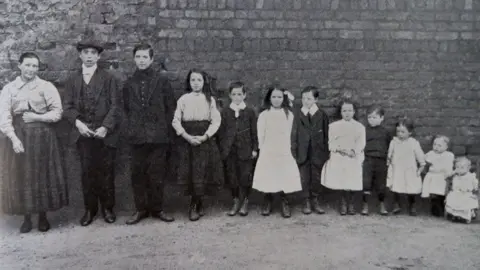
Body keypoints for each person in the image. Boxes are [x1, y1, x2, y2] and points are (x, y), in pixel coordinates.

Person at [0, 52, 68, 233]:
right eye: (28, 65)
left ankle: (43, 217)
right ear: (20, 66)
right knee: (22, 176)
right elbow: (4, 117)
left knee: (42, 175)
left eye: (34, 66)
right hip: (19, 135)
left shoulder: (46, 86)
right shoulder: (9, 88)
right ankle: (27, 218)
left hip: (43, 136)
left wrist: (37, 116)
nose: (31, 69)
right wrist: (14, 139)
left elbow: (57, 112)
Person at [63, 39, 121, 226]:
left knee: (106, 172)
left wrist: (105, 127)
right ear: (80, 55)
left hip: (105, 134)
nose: (89, 56)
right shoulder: (72, 80)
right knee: (87, 173)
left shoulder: (109, 78)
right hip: (83, 134)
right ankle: (90, 209)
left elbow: (115, 105)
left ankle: (108, 208)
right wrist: (79, 124)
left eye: (93, 53)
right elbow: (67, 107)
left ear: (98, 56)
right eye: (86, 52)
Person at [122, 44, 175, 225]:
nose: (142, 60)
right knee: (137, 174)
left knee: (157, 174)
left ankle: (157, 209)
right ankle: (140, 209)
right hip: (137, 137)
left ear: (151, 59)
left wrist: (164, 129)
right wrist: (132, 128)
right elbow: (125, 109)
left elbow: (170, 108)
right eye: (138, 57)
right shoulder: (129, 83)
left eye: (145, 57)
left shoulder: (162, 81)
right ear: (134, 59)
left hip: (158, 137)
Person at [172, 69, 224, 221]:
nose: (196, 83)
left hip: (203, 139)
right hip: (187, 140)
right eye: (193, 80)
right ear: (189, 82)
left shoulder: (210, 100)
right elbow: (175, 120)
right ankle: (194, 203)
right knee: (190, 171)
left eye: (199, 80)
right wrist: (187, 136)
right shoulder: (183, 99)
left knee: (201, 171)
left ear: (204, 82)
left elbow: (216, 120)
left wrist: (205, 136)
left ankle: (198, 202)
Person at [252, 86, 301, 218]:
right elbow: (260, 134)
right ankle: (267, 200)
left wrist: (289, 148)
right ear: (269, 98)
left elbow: (291, 132)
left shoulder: (288, 114)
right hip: (268, 148)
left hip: (283, 148)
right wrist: (262, 149)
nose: (276, 100)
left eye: (279, 97)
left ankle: (284, 201)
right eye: (273, 97)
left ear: (283, 98)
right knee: (269, 174)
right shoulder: (264, 115)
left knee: (283, 174)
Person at [218, 81, 258, 217]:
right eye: (234, 94)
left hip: (245, 150)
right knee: (232, 177)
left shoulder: (249, 112)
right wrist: (223, 148)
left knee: (245, 176)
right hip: (230, 150)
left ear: (244, 95)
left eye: (239, 94)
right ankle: (235, 200)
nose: (236, 97)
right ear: (230, 95)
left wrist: (254, 148)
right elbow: (221, 132)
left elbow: (254, 132)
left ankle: (245, 201)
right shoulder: (225, 112)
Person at [321, 98, 365, 215]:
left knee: (352, 177)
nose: (347, 113)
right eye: (344, 110)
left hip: (353, 156)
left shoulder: (359, 127)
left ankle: (351, 203)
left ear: (354, 112)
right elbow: (330, 143)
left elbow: (361, 143)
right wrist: (340, 149)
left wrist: (353, 151)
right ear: (340, 112)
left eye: (350, 110)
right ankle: (343, 202)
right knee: (341, 178)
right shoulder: (334, 126)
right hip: (339, 154)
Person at [291, 86, 329, 215]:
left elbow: (326, 135)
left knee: (316, 177)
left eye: (309, 98)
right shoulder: (298, 114)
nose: (306, 101)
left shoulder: (322, 115)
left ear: (316, 99)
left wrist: (325, 152)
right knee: (304, 177)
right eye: (303, 98)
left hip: (317, 151)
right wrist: (295, 150)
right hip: (302, 151)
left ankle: (315, 199)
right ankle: (306, 200)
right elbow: (294, 134)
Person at [386, 117, 426, 216]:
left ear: (410, 132)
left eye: (403, 132)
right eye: (398, 131)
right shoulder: (394, 142)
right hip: (397, 168)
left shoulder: (413, 143)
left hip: (409, 169)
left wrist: (421, 166)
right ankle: (397, 205)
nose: (400, 134)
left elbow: (419, 155)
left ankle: (412, 205)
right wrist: (388, 162)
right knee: (396, 186)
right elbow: (390, 153)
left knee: (411, 187)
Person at [362, 105, 392, 216]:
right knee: (366, 183)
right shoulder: (364, 130)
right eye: (369, 117)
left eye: (374, 117)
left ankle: (382, 205)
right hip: (368, 159)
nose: (371, 120)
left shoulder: (385, 132)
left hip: (381, 161)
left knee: (381, 184)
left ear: (381, 118)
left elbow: (389, 145)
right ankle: (365, 205)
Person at [421, 135, 454, 217]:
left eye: (439, 145)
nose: (436, 147)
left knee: (441, 193)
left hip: (442, 176)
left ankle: (441, 209)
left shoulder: (449, 155)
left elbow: (449, 167)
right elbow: (423, 159)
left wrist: (449, 174)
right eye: (434, 144)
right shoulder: (431, 154)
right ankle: (434, 209)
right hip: (433, 176)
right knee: (433, 193)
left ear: (446, 147)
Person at [445, 157, 478, 224]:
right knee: (451, 200)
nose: (459, 169)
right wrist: (453, 172)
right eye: (457, 167)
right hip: (456, 193)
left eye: (462, 167)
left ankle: (466, 217)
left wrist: (475, 193)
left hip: (466, 194)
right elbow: (446, 177)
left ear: (468, 168)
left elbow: (475, 186)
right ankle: (455, 216)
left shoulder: (471, 176)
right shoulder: (455, 176)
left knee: (466, 203)